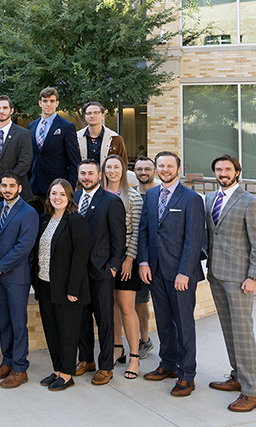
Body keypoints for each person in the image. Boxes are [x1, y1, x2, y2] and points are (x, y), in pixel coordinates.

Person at [138, 151, 206, 397]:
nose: (165, 169)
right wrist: (143, 262)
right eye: (161, 166)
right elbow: (144, 230)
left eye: (169, 165)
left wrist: (185, 273)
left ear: (178, 168)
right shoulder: (152, 194)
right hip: (155, 271)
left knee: (184, 324)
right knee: (164, 322)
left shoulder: (191, 198)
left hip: (180, 275)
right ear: (156, 168)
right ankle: (168, 364)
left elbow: (194, 239)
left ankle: (187, 374)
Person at [205, 154, 256, 412]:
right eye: (219, 169)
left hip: (240, 278)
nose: (223, 173)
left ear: (237, 172)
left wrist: (254, 276)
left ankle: (252, 392)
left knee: (242, 334)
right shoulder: (209, 199)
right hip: (217, 274)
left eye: (228, 169)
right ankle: (237, 376)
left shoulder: (250, 202)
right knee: (229, 330)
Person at [32, 179, 91, 392]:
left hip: (67, 287)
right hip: (45, 283)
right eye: (53, 193)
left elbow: (80, 256)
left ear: (69, 198)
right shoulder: (44, 218)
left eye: (62, 194)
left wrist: (73, 288)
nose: (57, 198)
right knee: (51, 330)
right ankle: (57, 370)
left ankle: (67, 374)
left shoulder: (76, 221)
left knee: (67, 331)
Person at [73, 159, 126, 385]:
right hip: (77, 272)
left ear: (99, 175)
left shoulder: (111, 201)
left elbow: (119, 239)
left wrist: (113, 267)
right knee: (81, 318)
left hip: (102, 271)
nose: (86, 177)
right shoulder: (73, 198)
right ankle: (86, 360)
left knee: (104, 320)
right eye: (83, 173)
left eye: (90, 173)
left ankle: (106, 365)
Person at [0, 171, 39, 388]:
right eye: (4, 185)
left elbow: (24, 246)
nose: (7, 189)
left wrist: (1, 266)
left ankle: (20, 368)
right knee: (4, 323)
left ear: (19, 188)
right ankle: (7, 363)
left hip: (16, 277)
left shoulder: (29, 212)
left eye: (11, 186)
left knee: (18, 324)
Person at [102, 154, 144, 380]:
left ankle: (135, 356)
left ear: (123, 169)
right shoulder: (98, 195)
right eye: (108, 167)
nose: (112, 171)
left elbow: (137, 230)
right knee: (110, 307)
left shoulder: (134, 197)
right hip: (103, 260)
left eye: (116, 167)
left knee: (127, 307)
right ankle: (117, 348)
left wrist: (129, 258)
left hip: (126, 258)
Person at [0, 96, 33, 214]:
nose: (1, 111)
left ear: (11, 110)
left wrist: (4, 184)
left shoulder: (24, 134)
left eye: (5, 107)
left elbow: (25, 162)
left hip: (16, 192)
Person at [28, 87, 81, 206]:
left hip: (56, 189)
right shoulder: (31, 126)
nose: (48, 104)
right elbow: (31, 157)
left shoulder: (67, 127)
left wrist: (69, 188)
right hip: (33, 188)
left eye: (52, 101)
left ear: (57, 103)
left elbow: (73, 161)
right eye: (45, 101)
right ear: (40, 103)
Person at [132, 156, 157, 358]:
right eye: (139, 169)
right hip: (135, 257)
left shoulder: (161, 194)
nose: (143, 172)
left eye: (147, 169)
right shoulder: (130, 195)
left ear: (154, 171)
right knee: (139, 301)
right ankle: (144, 340)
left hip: (158, 257)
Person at [77, 102, 127, 167]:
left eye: (96, 113)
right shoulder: (76, 138)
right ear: (85, 117)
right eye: (89, 113)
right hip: (83, 177)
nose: (92, 116)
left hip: (107, 177)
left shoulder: (115, 138)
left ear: (103, 116)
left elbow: (123, 164)